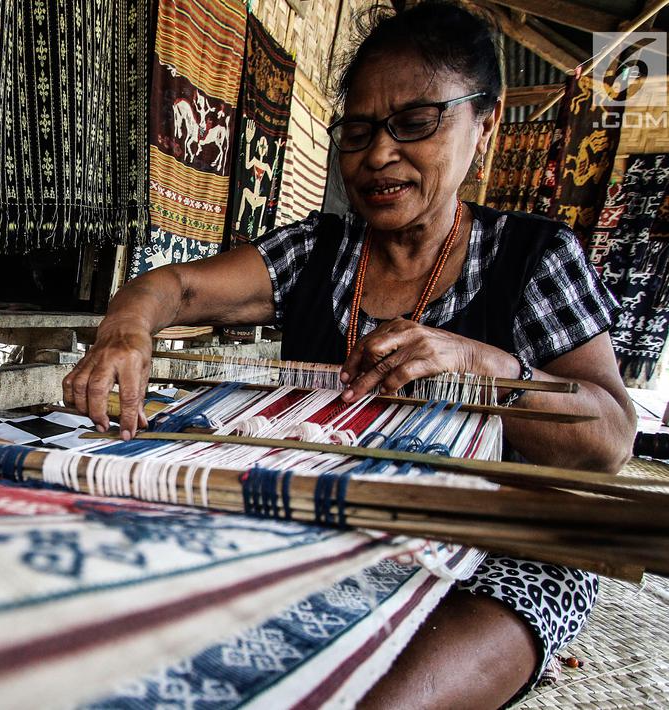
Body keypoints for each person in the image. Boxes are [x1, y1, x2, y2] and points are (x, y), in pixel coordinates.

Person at [63, 3, 636, 706]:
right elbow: (173, 286)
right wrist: (127, 330)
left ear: (483, 125)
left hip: (500, 547)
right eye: (357, 131)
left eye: (415, 124)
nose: (378, 155)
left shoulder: (535, 257)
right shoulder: (319, 252)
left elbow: (606, 437)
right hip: (320, 521)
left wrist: (485, 366)